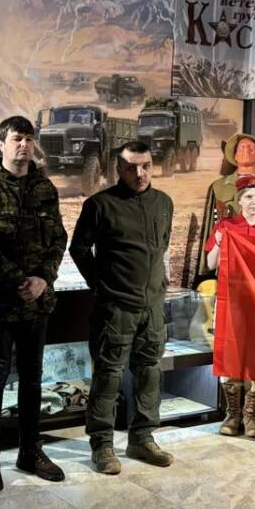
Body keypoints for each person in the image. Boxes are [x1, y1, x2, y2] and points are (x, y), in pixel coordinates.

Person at [0, 115, 67, 491]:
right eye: (16, 139)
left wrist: (43, 278)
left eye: (28, 138)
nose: (23, 145)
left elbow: (58, 238)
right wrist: (17, 279)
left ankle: (30, 450)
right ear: (1, 145)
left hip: (37, 303)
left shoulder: (45, 188)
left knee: (32, 379)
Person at [70, 141, 175, 474]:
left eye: (145, 166)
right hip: (115, 309)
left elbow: (161, 246)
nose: (139, 173)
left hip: (152, 308)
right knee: (108, 376)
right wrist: (100, 284)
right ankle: (102, 445)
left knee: (149, 373)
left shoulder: (164, 203)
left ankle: (142, 438)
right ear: (119, 169)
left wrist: (158, 287)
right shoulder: (100, 205)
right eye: (131, 168)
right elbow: (79, 249)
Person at [204, 174, 255, 439]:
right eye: (249, 197)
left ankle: (251, 416)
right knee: (231, 355)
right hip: (231, 302)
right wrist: (219, 242)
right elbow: (210, 264)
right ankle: (233, 415)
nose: (254, 202)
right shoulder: (227, 227)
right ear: (239, 201)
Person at [197, 132, 255, 278]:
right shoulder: (219, 187)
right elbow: (211, 226)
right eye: (241, 148)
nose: (246, 150)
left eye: (251, 148)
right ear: (235, 156)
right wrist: (206, 270)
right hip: (230, 262)